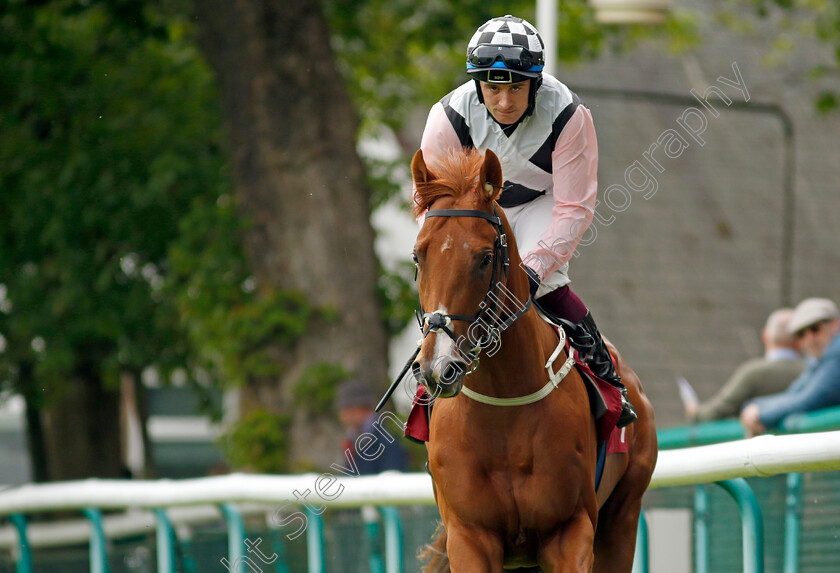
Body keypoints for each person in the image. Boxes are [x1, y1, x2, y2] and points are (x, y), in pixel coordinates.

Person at [417, 14, 635, 426]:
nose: (504, 102)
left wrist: (533, 270)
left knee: (546, 283)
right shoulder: (447, 117)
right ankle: (425, 393)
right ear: (477, 83)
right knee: (452, 284)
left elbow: (574, 206)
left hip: (543, 202)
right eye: (493, 88)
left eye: (516, 87)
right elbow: (432, 204)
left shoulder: (569, 115)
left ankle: (608, 379)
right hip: (472, 209)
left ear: (535, 82)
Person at [740, 298, 840, 436]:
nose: (809, 338)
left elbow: (809, 399)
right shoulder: (817, 360)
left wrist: (760, 415)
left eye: (815, 328)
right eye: (801, 334)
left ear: (835, 324)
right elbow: (794, 393)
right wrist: (755, 405)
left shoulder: (836, 352)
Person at [685, 308, 804, 422]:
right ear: (800, 340)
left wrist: (695, 411)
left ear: (764, 336)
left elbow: (717, 411)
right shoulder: (810, 371)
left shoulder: (753, 373)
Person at [335, 379, 407, 474]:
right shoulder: (353, 440)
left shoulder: (387, 443)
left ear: (364, 409)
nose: (344, 416)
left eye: (349, 410)